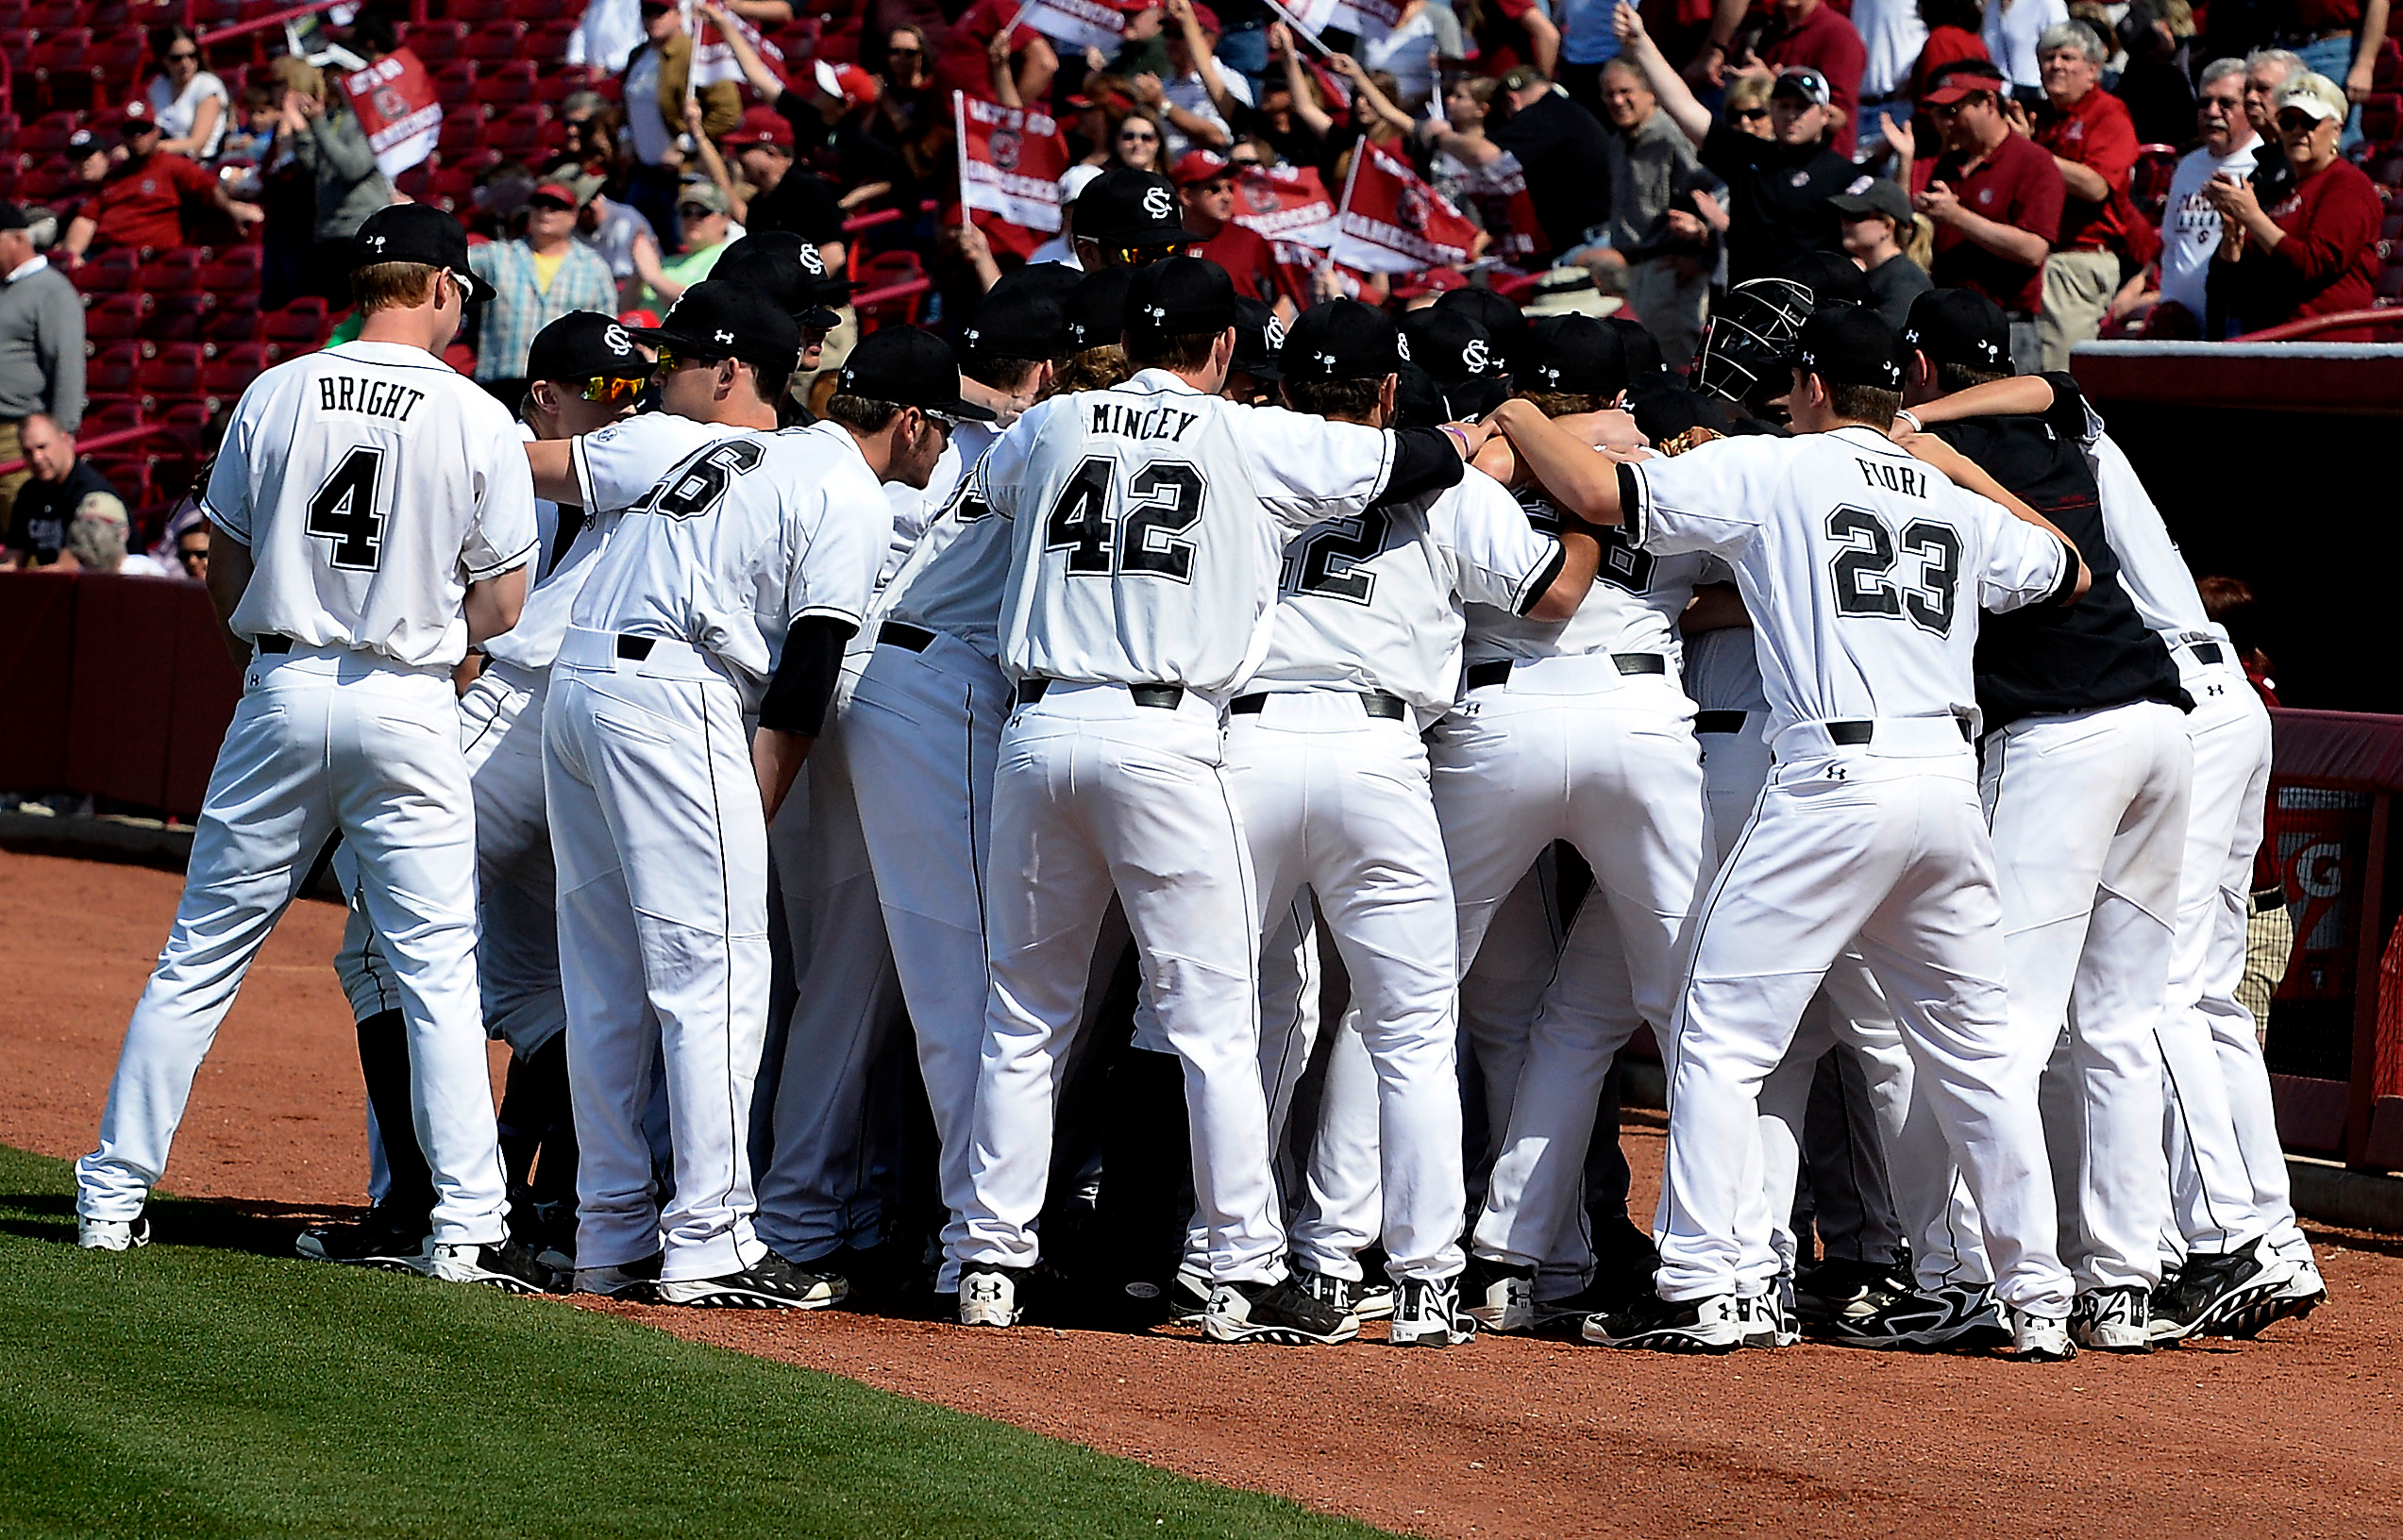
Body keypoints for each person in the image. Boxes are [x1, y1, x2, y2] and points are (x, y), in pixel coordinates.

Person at [1489, 303, 2092, 1360]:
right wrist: (1952, 472)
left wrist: (1509, 404)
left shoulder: (1778, 467)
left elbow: (1591, 490)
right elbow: (2066, 570)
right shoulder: (1941, 497)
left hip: (1835, 777)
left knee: (1718, 1034)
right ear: (1899, 386)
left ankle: (1702, 1281)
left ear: (1809, 385)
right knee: (1976, 1055)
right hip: (1945, 783)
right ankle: (2034, 1298)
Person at [948, 256, 1478, 1341]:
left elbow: (994, 487)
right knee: (1212, 1020)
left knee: (1023, 1011)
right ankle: (1241, 1263)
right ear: (1224, 349)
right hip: (1165, 736)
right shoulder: (1243, 432)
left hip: (1038, 723)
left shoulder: (1054, 424)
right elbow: (1419, 457)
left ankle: (987, 1261)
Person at [71, 204, 547, 1297]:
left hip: (282, 681)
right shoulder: (475, 413)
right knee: (436, 971)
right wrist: (430, 637)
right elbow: (507, 601)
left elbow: (222, 568)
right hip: (411, 696)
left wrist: (279, 639)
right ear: (439, 289)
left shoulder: (275, 388)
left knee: (199, 957)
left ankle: (108, 1196)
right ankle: (468, 1228)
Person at [1903, 369, 2326, 1342]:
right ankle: (2215, 1247)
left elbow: (2045, 384)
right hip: (2199, 705)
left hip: (2144, 701)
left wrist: (1918, 422)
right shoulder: (2046, 438)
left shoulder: (1985, 452)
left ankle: (2226, 1242)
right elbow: (2044, 386)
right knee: (2175, 1003)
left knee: (2134, 1004)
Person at [1229, 300, 1611, 1346]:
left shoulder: (1247, 461)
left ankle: (1247, 1262)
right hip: (1378, 750)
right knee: (1408, 1022)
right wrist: (1581, 511)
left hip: (1243, 748)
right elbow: (1553, 598)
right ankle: (1421, 1279)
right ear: (1390, 394)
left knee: (1242, 1015)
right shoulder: (1443, 490)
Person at [542, 290, 929, 1307]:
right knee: (714, 973)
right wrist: (745, 818)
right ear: (913, 424)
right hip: (671, 697)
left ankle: (608, 1232)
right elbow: (806, 675)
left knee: (609, 981)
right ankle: (710, 1240)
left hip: (579, 685)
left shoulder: (716, 448)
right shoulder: (846, 489)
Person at [302, 311, 660, 1272]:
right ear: (544, 394)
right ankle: (527, 1199)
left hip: (526, 702)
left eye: (634, 391)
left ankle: (423, 1205)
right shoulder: (514, 444)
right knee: (544, 985)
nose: (626, 407)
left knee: (382, 942)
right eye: (607, 393)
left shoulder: (536, 448)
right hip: (596, 717)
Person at [1890, 287, 2193, 1354]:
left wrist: (1921, 432)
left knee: (2003, 1026)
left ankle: (1990, 1279)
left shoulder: (1921, 456)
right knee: (2113, 1026)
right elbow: (2054, 382)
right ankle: (2120, 1281)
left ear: (1919, 369)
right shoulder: (2047, 417)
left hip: (2059, 737)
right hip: (2158, 729)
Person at [1620, 8, 1857, 283]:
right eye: (1783, 106)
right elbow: (1682, 107)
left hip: (1808, 315)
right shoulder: (1747, 155)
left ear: (1825, 115)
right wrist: (1640, 42)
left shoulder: (1842, 175)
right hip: (1746, 312)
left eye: (1802, 107)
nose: (1791, 116)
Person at [1910, 60, 2065, 370]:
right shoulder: (1948, 164)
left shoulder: (2032, 162)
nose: (1946, 122)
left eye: (1955, 110)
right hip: (1947, 323)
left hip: (2006, 325)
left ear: (1989, 103)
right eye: (1941, 113)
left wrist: (1957, 217)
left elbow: (2033, 250)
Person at [2205, 72, 2383, 338]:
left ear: (2336, 128)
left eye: (2309, 122)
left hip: (2326, 352)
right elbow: (2226, 288)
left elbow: (2313, 265)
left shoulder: (2348, 186)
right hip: (2269, 346)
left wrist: (2253, 218)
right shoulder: (2276, 190)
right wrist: (2233, 236)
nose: (2298, 131)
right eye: (2288, 122)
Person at [2029, 24, 2143, 369]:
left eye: (2068, 57)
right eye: (2049, 58)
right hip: (2038, 259)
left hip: (2079, 261)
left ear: (2093, 69)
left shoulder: (2108, 112)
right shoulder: (2044, 119)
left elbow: (2096, 186)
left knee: (2061, 374)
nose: (2057, 65)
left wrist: (2031, 154)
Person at [1596, 58, 1718, 368]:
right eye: (1609, 93)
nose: (1618, 101)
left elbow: (1716, 190)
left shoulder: (1672, 136)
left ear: (1650, 92)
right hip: (1637, 270)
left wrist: (1705, 254)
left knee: (1680, 361)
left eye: (1626, 91)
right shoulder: (1617, 141)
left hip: (1670, 271)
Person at [2137, 60, 2258, 337]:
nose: (2212, 112)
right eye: (2205, 102)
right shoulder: (2188, 166)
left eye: (2226, 103)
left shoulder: (2259, 164)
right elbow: (2170, 243)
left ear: (2248, 108)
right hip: (2179, 324)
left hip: (2230, 322)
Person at [469, 183, 623, 398]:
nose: (545, 211)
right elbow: (451, 258)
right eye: (539, 204)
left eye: (556, 206)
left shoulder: (594, 267)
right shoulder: (497, 256)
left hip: (564, 388)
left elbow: (605, 330)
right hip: (500, 382)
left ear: (573, 215)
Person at [59, 103, 262, 261]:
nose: (138, 136)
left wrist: (233, 208)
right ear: (123, 137)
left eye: (143, 129)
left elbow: (207, 188)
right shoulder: (114, 176)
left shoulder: (173, 166)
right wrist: (73, 255)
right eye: (131, 131)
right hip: (105, 257)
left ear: (156, 132)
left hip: (151, 259)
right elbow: (86, 220)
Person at [0, 204, 85, 544]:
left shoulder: (52, 290)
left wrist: (59, 435)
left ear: (17, 239)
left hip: (18, 435)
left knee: (26, 538)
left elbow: (66, 367)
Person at [1172, 151, 1294, 311]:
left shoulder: (1251, 241)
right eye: (1214, 190)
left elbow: (1283, 300)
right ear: (1186, 196)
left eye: (1229, 188)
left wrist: (1267, 331)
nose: (1227, 197)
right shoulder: (1166, 245)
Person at [1757, 0, 1872, 157]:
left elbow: (1838, 119)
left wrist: (1768, 83)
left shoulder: (1838, 33)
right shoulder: (1772, 33)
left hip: (1822, 165)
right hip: (1775, 160)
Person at [2, 414, 116, 569]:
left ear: (66, 440)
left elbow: (65, 569)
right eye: (28, 452)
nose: (36, 458)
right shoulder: (29, 492)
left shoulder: (90, 493)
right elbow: (12, 560)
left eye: (42, 447)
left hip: (105, 587)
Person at [1834, 179, 1933, 326]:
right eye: (1842, 214)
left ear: (1887, 226)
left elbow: (1887, 342)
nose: (1844, 223)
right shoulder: (1872, 274)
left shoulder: (1905, 283)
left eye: (1856, 216)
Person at [630, 180, 739, 307]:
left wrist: (653, 277)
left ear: (725, 218)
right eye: (686, 212)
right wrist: (639, 271)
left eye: (703, 212)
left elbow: (701, 307)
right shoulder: (665, 263)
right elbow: (625, 308)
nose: (693, 218)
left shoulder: (731, 259)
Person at [146, 26, 230, 160]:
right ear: (164, 59)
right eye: (176, 58)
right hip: (166, 158)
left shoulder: (207, 85)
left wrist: (150, 148)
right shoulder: (158, 86)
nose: (185, 63)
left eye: (191, 56)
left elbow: (196, 143)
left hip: (202, 162)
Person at [1985, 0, 2072, 97]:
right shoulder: (1992, 7)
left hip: (2037, 95)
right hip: (1999, 93)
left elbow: (2065, 50)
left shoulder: (2048, 3)